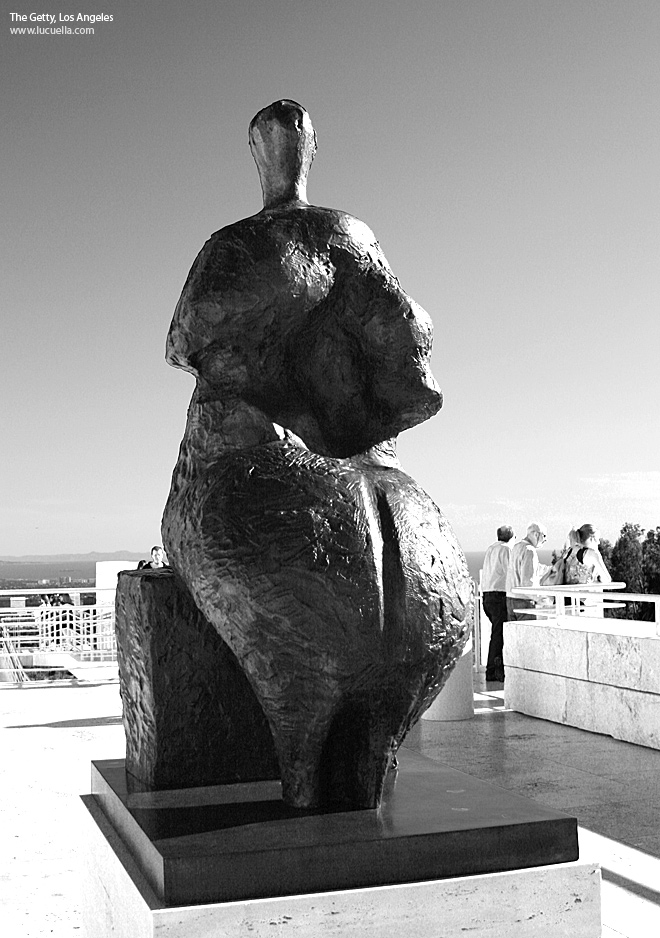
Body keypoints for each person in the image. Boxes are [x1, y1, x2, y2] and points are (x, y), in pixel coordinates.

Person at [481, 525, 515, 682]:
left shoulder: (491, 549)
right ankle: (493, 670)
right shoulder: (507, 549)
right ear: (511, 536)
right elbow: (511, 571)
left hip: (487, 595)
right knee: (499, 634)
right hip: (499, 594)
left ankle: (495, 668)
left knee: (496, 632)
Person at [506, 523, 549, 620]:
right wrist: (541, 599)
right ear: (536, 535)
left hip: (510, 599)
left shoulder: (516, 547)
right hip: (523, 601)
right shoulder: (529, 551)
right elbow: (527, 583)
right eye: (544, 536)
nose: (545, 540)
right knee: (527, 634)